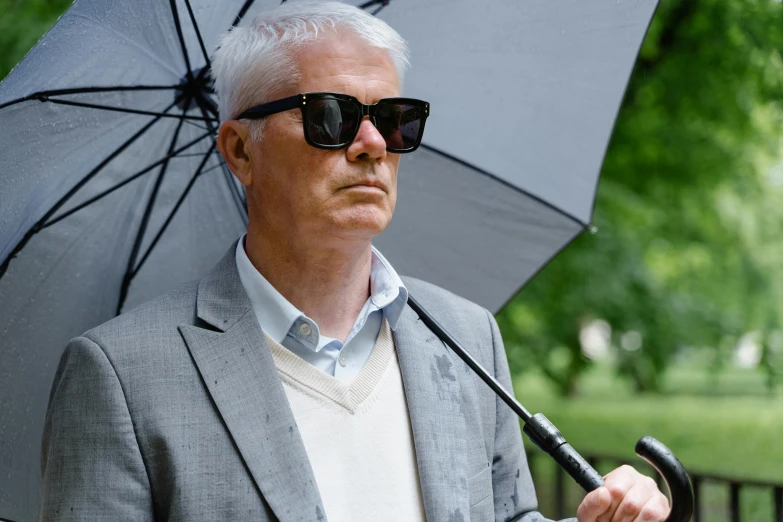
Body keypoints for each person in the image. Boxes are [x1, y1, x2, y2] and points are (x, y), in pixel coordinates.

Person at [38, 2, 670, 521]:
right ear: (239, 149)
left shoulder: (466, 335)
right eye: (331, 116)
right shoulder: (120, 377)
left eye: (394, 120)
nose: (372, 145)